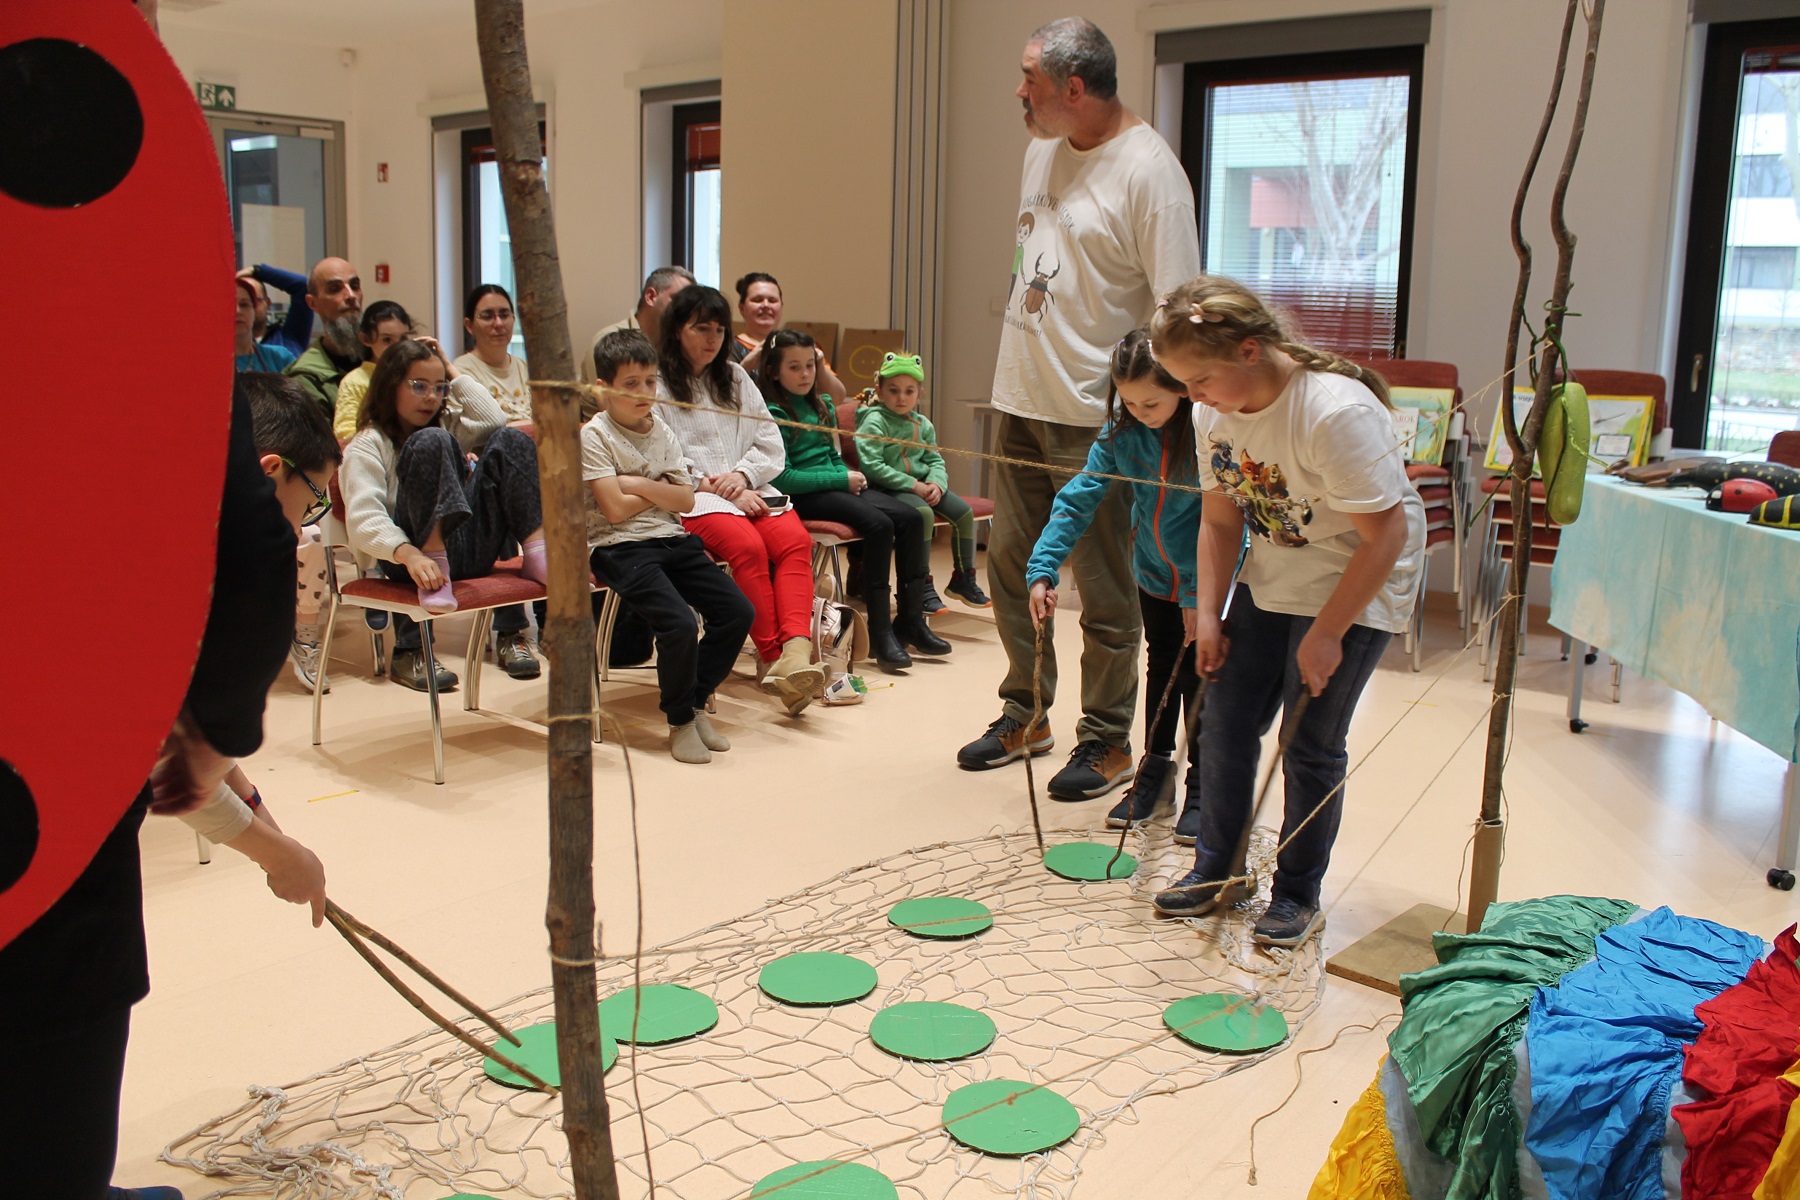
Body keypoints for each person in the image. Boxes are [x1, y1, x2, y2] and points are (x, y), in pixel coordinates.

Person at [0, 375, 310, 1200]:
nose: (302, 527)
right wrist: (276, 852)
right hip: (41, 797)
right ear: (271, 473)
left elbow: (172, 728)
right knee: (56, 997)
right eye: (307, 505)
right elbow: (163, 762)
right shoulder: (142, 396)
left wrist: (227, 769)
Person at [958, 18, 1199, 805]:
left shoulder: (1151, 175)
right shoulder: (1041, 148)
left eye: (1029, 80)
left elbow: (1178, 317)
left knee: (1103, 588)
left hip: (1098, 419)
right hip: (1020, 398)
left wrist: (1155, 423)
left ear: (1073, 86)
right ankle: (1025, 712)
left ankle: (1107, 738)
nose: (1018, 93)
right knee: (1009, 569)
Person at [1146, 277, 1424, 947]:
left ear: (1250, 351)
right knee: (1224, 719)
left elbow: (1383, 535)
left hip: (1359, 576)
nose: (1192, 396)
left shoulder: (1333, 413)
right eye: (1183, 383)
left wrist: (1328, 634)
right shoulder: (1212, 411)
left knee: (1309, 743)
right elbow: (1219, 522)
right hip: (1277, 568)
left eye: (1200, 378)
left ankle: (1297, 894)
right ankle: (1218, 870)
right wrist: (1209, 613)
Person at [1025, 330, 1203, 833]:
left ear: (1180, 388)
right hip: (1153, 574)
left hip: (1209, 581)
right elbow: (1078, 497)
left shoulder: (1207, 430)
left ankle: (1204, 787)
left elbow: (1226, 521)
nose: (1140, 412)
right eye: (1129, 402)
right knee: (1162, 664)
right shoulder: (1122, 432)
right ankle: (1155, 777)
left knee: (1201, 678)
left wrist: (1198, 593)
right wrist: (1043, 567)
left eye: (1152, 402)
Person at [583, 330, 755, 761]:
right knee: (678, 624)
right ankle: (679, 721)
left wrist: (638, 484)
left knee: (737, 612)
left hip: (672, 537)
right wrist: (660, 488)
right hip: (618, 547)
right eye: (631, 384)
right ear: (603, 388)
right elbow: (614, 511)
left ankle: (694, 705)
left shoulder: (662, 430)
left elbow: (686, 500)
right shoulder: (594, 436)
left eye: (650, 381)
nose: (645, 393)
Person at [341, 337, 548, 692]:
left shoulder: (448, 426)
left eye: (439, 388)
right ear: (390, 386)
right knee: (431, 441)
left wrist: (450, 367)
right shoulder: (368, 444)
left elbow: (493, 419)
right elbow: (363, 520)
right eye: (419, 386)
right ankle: (411, 652)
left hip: (464, 548)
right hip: (410, 561)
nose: (431, 397)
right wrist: (409, 554)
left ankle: (535, 563)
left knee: (510, 439)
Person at [653, 286, 821, 704]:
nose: (712, 338)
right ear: (677, 330)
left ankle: (796, 653)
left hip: (750, 484)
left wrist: (743, 476)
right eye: (701, 328)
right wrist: (719, 486)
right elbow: (659, 453)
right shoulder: (656, 383)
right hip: (694, 495)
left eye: (719, 329)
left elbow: (769, 441)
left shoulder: (736, 376)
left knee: (796, 543)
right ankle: (773, 659)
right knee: (747, 548)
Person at [757, 329, 946, 674]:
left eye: (810, 366)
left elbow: (830, 455)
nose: (805, 374)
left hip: (834, 486)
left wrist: (846, 476)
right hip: (801, 496)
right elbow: (783, 477)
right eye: (794, 367)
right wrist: (841, 479)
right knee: (879, 525)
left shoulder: (821, 404)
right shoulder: (773, 411)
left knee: (912, 518)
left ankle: (910, 620)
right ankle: (879, 633)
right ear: (774, 371)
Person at [855, 352, 992, 611]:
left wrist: (936, 484)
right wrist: (913, 485)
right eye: (893, 390)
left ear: (920, 393)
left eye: (909, 391)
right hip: (888, 489)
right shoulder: (874, 421)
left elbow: (935, 460)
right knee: (923, 515)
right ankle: (922, 585)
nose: (901, 397)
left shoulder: (923, 424)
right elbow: (873, 467)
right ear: (880, 391)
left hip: (923, 486)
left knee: (963, 513)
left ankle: (963, 579)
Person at [732, 272, 848, 404]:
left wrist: (819, 364)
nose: (766, 305)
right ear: (742, 308)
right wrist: (746, 365)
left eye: (772, 300)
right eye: (757, 300)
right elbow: (721, 396)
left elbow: (837, 398)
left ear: (781, 306)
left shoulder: (800, 344)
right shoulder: (729, 348)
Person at [582, 265, 695, 392]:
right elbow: (609, 402)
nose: (686, 311)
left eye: (690, 306)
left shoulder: (675, 345)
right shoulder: (607, 340)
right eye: (678, 300)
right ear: (651, 297)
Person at [285, 256, 364, 419]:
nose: (351, 295)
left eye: (355, 286)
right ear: (312, 303)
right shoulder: (307, 377)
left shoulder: (380, 354)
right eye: (335, 289)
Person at [332, 300, 414, 441]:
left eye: (403, 339)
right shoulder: (355, 381)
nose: (397, 347)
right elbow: (345, 434)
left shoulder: (414, 374)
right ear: (365, 339)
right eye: (387, 340)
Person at [455, 284, 533, 424]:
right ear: (469, 325)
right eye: (487, 316)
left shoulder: (526, 369)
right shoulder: (461, 372)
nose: (498, 323)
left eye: (504, 315)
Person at [238, 262, 315, 357]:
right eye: (243, 304)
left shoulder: (289, 337)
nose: (250, 307)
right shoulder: (228, 345)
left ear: (267, 303)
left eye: (255, 300)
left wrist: (258, 270)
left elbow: (303, 286)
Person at [234, 278, 296, 373]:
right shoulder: (210, 360)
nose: (237, 311)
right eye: (230, 305)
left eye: (244, 304)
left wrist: (257, 271)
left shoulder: (280, 357)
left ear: (254, 311)